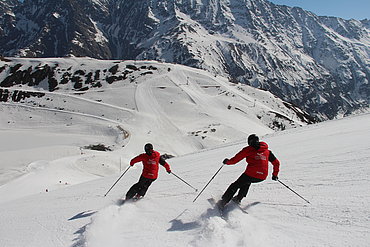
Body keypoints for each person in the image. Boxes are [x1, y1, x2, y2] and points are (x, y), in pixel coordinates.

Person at [217, 134, 280, 209]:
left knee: (236, 185)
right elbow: (276, 163)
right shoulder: (267, 151)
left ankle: (223, 202)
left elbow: (235, 160)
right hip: (262, 177)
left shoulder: (248, 149)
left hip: (251, 173)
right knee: (246, 182)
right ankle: (238, 199)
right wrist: (275, 175)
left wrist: (227, 162)